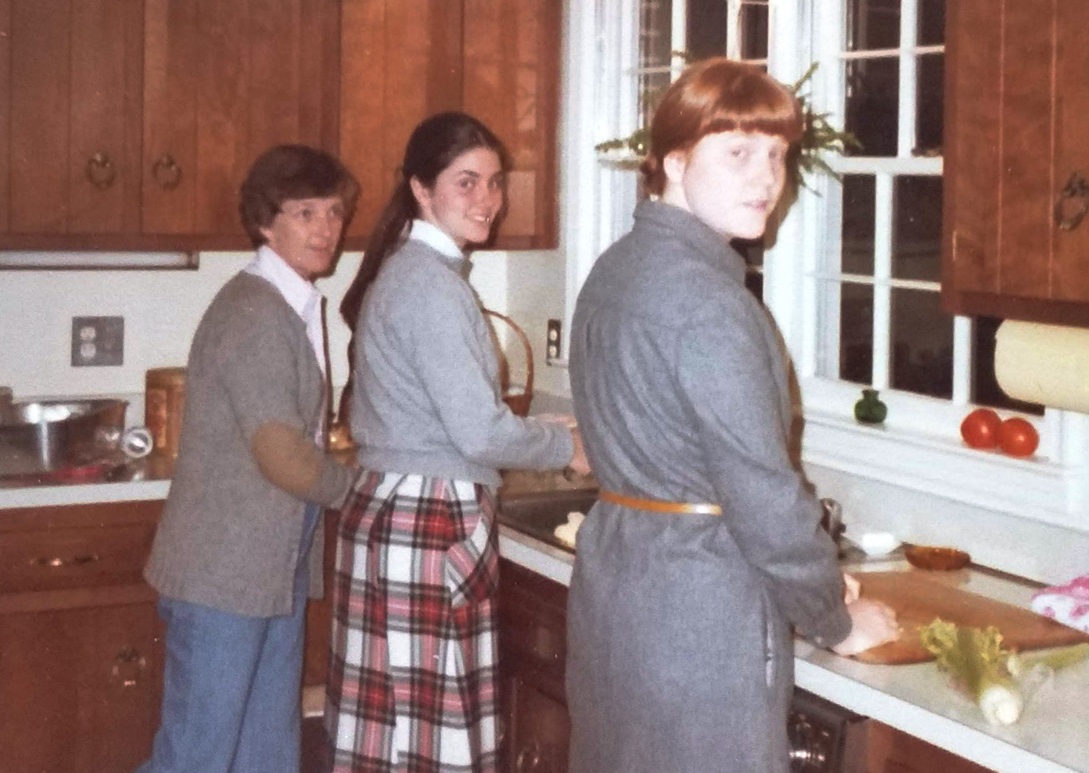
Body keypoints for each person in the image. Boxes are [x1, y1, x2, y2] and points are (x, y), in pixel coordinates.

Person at [566, 59, 900, 773]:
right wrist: (834, 619)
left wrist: (810, 576)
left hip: (619, 586)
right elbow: (764, 500)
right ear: (676, 162)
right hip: (700, 614)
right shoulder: (713, 305)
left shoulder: (614, 270)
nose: (765, 179)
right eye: (739, 153)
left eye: (777, 155)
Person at [325, 111, 588, 772]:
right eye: (466, 182)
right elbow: (477, 430)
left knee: (392, 736)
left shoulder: (419, 274)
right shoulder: (431, 285)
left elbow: (441, 417)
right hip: (427, 523)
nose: (488, 200)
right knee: (424, 743)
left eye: (494, 182)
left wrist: (548, 428)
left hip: (400, 515)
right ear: (421, 188)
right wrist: (567, 450)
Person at [138, 144, 359, 773]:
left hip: (266, 571)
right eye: (306, 212)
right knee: (197, 756)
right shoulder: (255, 311)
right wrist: (362, 487)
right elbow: (283, 456)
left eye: (335, 213)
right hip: (224, 575)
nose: (325, 229)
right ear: (266, 221)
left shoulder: (290, 303)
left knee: (266, 749)